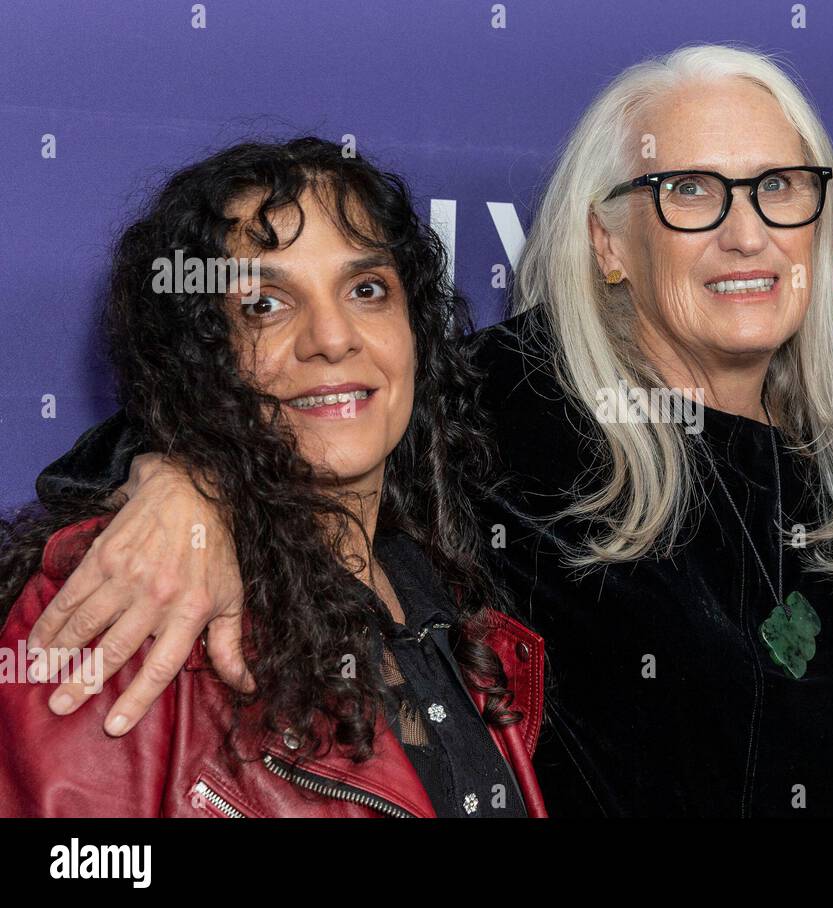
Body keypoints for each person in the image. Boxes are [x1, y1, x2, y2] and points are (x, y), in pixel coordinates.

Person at [21, 45, 833, 816]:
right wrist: (182, 485)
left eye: (780, 187)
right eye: (689, 190)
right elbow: (261, 402)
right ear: (608, 243)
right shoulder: (504, 401)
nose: (747, 233)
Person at [0, 138, 546, 817]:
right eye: (264, 305)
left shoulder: (450, 603)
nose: (333, 337)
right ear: (200, 355)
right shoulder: (131, 593)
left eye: (367, 290)